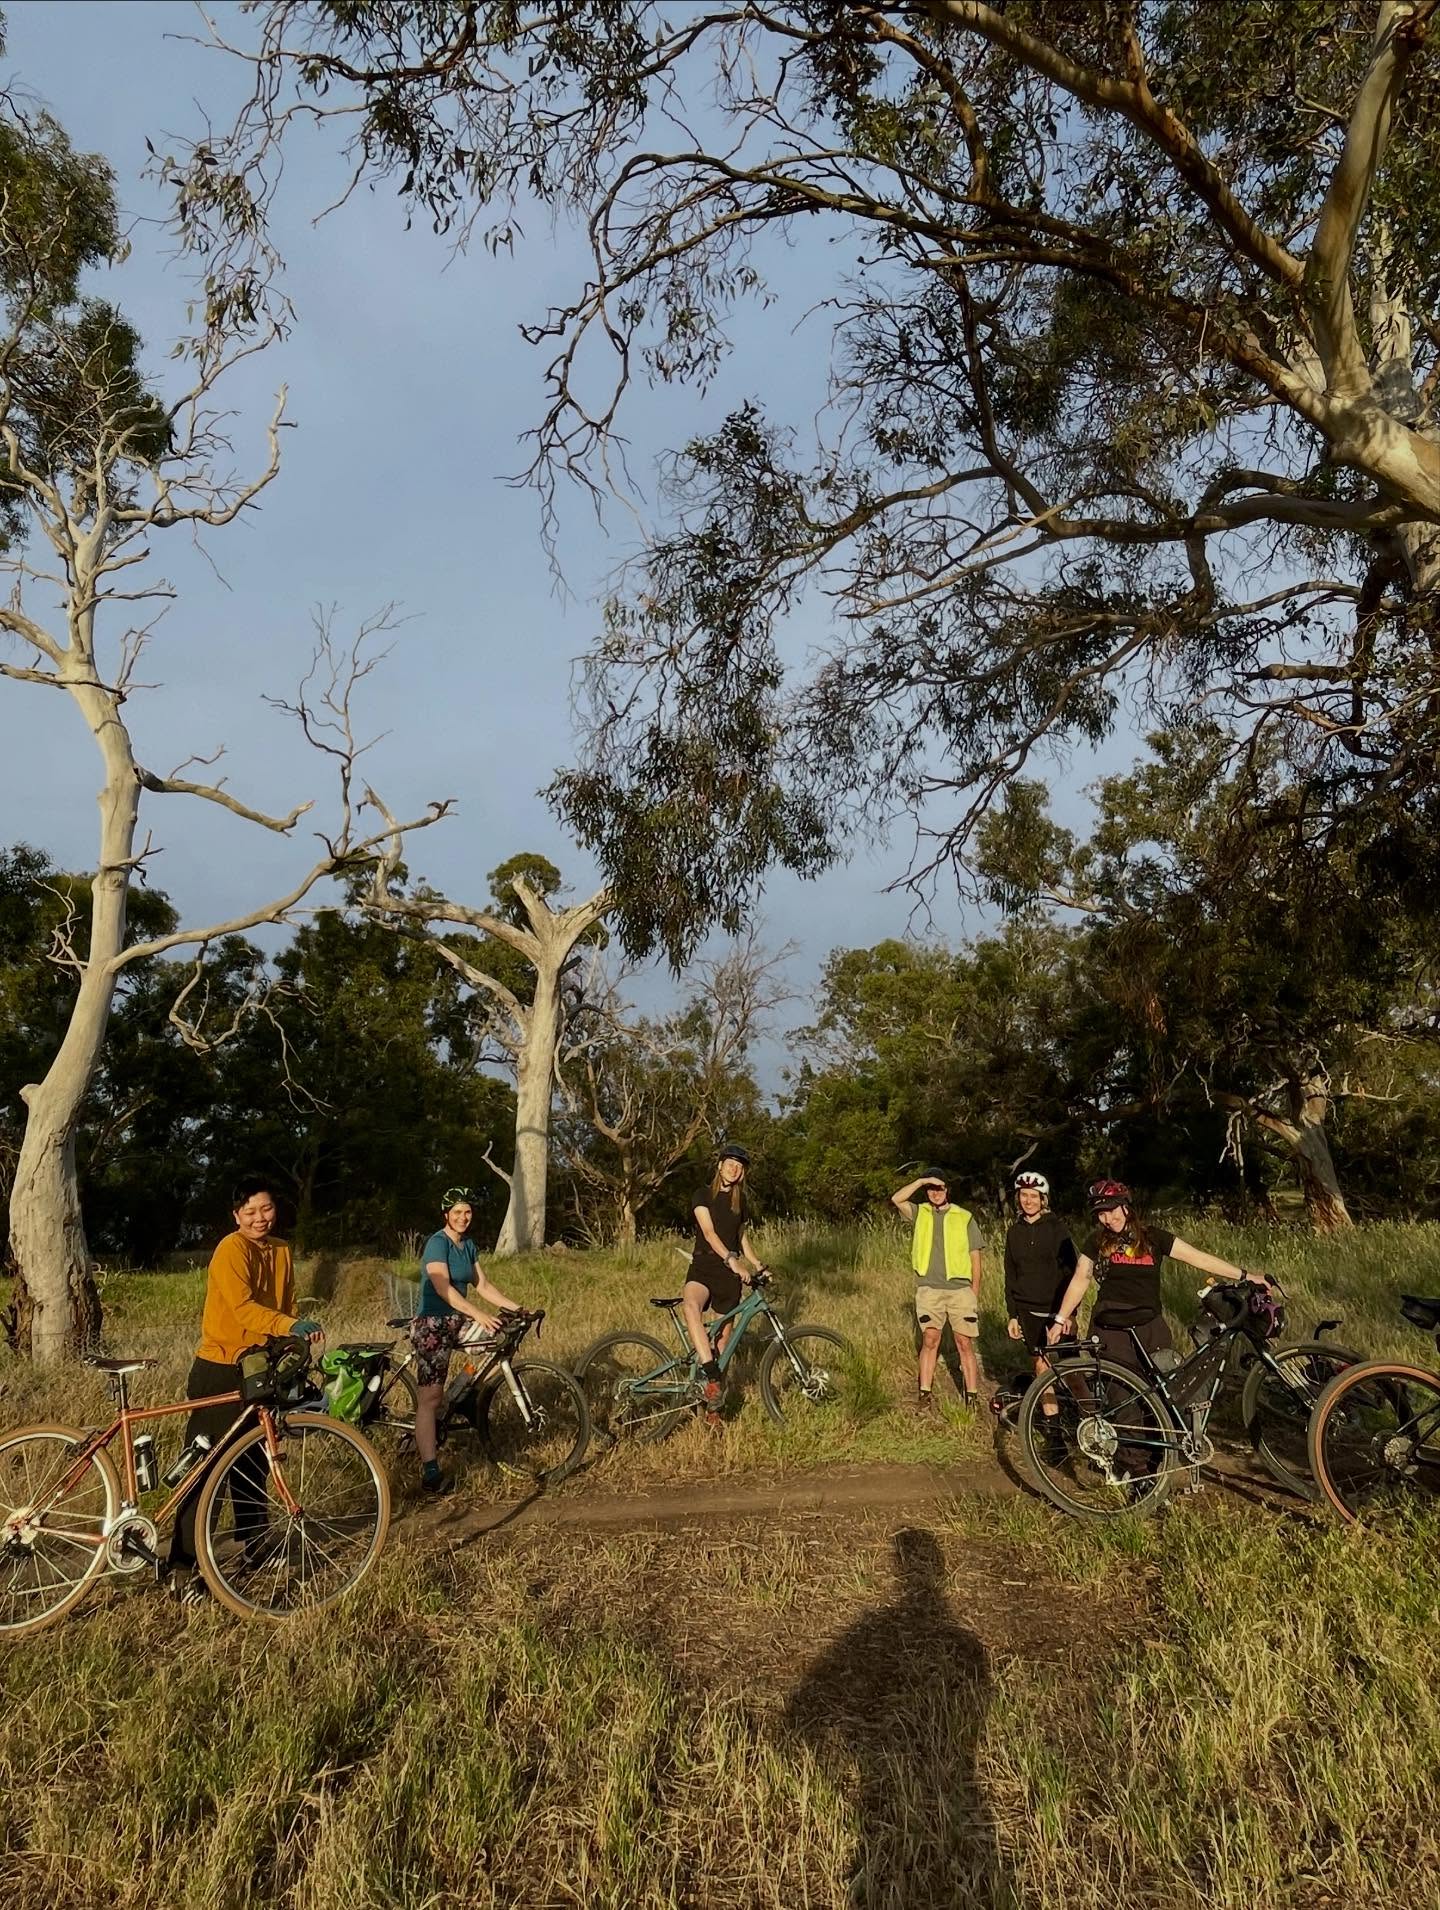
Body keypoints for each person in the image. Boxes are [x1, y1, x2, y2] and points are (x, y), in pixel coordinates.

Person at [168, 1174, 322, 1602]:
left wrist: (291, 1340)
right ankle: (183, 1564)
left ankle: (255, 1543)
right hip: (220, 1365)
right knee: (204, 1464)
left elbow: (285, 1304)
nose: (260, 1218)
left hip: (259, 1364)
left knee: (254, 1456)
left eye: (267, 1209)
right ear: (236, 1215)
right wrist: (288, 1325)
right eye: (250, 1211)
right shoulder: (230, 1249)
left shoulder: (281, 1251)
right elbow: (244, 1308)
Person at [1046, 1176, 1271, 1372]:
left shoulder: (1153, 1237)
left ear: (1125, 1207)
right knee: (1122, 1392)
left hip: (1149, 1320)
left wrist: (1246, 1275)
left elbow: (1198, 1258)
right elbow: (1080, 1278)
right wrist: (1060, 1319)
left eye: (1112, 1210)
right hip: (1110, 1321)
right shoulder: (1096, 1241)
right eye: (1101, 1214)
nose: (1108, 1219)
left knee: (1163, 1390)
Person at [413, 1186, 520, 1492]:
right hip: (432, 1323)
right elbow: (443, 1288)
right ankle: (430, 1470)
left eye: (467, 1212)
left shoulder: (468, 1246)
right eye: (457, 1212)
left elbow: (483, 1285)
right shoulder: (437, 1243)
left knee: (501, 1340)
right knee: (430, 1398)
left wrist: (517, 1307)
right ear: (446, 1214)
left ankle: (465, 1395)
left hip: (457, 1320)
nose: (463, 1218)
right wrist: (478, 1314)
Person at [890, 1169, 986, 1413]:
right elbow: (897, 1199)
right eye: (930, 1189)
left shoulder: (964, 1217)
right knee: (930, 1339)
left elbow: (976, 1257)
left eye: (939, 1188)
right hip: (929, 1289)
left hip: (960, 1290)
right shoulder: (920, 1212)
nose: (935, 1193)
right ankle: (925, 1394)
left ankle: (972, 1396)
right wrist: (922, 1180)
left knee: (964, 1343)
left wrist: (974, 1291)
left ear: (948, 1190)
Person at [685, 1143, 767, 1415]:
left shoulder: (740, 1203)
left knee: (724, 1344)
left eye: (740, 1166)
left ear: (743, 1173)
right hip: (705, 1268)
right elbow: (708, 1233)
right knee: (691, 1307)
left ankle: (713, 1409)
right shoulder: (701, 1195)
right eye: (730, 1163)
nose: (734, 1168)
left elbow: (742, 1237)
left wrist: (756, 1264)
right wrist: (732, 1261)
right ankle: (709, 1371)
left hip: (729, 1278)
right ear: (719, 1165)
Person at [1003, 1170, 1078, 1426]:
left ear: (1043, 1199)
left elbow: (1072, 1273)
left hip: (1058, 1309)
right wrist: (1012, 1314)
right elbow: (1010, 1275)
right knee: (1040, 1365)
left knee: (1071, 1365)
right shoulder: (1014, 1232)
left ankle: (1087, 1417)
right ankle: (1053, 1425)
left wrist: (1070, 1313)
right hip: (1027, 1309)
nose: (1028, 1201)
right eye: (1024, 1195)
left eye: (1033, 1196)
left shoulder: (1058, 1229)